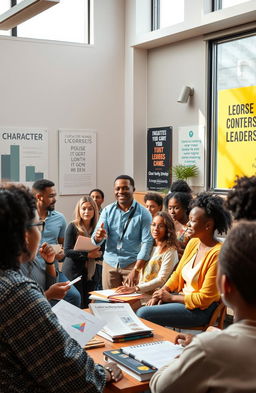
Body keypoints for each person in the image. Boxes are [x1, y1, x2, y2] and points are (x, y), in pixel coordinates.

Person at [0, 184, 122, 392]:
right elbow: (70, 374)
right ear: (24, 234)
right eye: (38, 225)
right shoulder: (16, 292)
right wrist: (103, 372)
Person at [150, 221, 256, 393]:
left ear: (224, 285)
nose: (189, 224)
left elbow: (160, 386)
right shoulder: (208, 347)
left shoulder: (208, 349)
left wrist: (189, 354)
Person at [137, 192, 232, 328]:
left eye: (193, 220)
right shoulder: (193, 243)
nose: (187, 223)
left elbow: (204, 299)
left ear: (208, 225)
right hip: (181, 300)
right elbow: (177, 275)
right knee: (140, 306)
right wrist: (162, 292)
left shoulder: (218, 254)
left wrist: (171, 298)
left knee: (143, 313)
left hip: (200, 311)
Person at [93, 175, 153, 289]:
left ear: (133, 190)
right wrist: (98, 237)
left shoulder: (144, 213)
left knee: (131, 303)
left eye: (125, 188)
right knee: (110, 303)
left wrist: (136, 270)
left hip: (131, 264)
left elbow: (147, 243)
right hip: (109, 264)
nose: (121, 191)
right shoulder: (107, 211)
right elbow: (96, 238)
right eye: (118, 188)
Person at [32, 179, 81, 307]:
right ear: (39, 197)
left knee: (75, 296)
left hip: (53, 270)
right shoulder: (26, 217)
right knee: (48, 301)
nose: (55, 199)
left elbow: (63, 248)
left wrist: (60, 255)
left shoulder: (60, 218)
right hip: (32, 272)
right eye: (51, 196)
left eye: (55, 195)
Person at [115, 211, 178, 302]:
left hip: (153, 297)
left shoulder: (170, 251)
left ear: (168, 229)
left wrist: (136, 288)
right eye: (153, 225)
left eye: (160, 226)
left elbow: (161, 280)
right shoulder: (149, 247)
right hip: (139, 293)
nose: (155, 229)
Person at [62, 196, 102, 308]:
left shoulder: (98, 229)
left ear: (95, 211)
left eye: (90, 209)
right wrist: (88, 255)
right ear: (79, 210)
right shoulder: (72, 226)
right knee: (76, 304)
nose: (86, 212)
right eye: (83, 208)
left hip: (91, 271)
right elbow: (67, 252)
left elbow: (103, 250)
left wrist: (99, 254)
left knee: (87, 304)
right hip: (73, 270)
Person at [164, 186, 193, 258]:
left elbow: (193, 253)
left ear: (185, 208)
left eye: (176, 208)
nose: (172, 212)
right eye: (170, 208)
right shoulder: (166, 223)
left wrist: (177, 249)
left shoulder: (191, 226)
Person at [89, 188, 105, 289]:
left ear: (102, 200)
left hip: (101, 251)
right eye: (92, 197)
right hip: (89, 249)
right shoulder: (86, 213)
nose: (94, 199)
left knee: (100, 281)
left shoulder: (105, 214)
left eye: (97, 197)